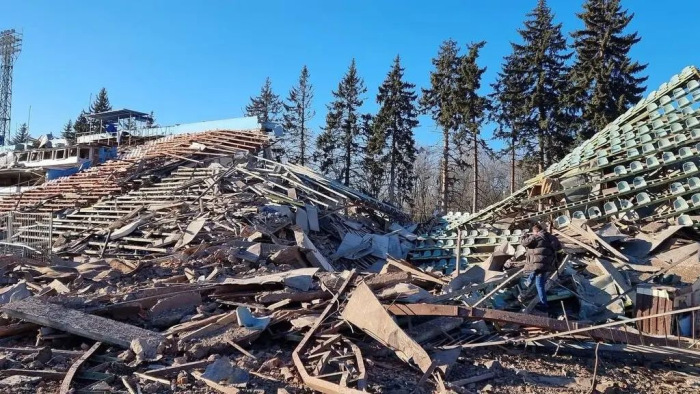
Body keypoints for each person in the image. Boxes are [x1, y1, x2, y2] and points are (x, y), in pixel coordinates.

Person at [520, 223, 562, 312]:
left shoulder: (536, 237)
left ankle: (544, 304)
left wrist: (523, 236)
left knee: (539, 284)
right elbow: (559, 249)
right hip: (548, 264)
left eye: (533, 232)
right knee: (537, 278)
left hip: (538, 265)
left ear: (536, 231)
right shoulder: (552, 237)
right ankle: (528, 282)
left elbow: (524, 243)